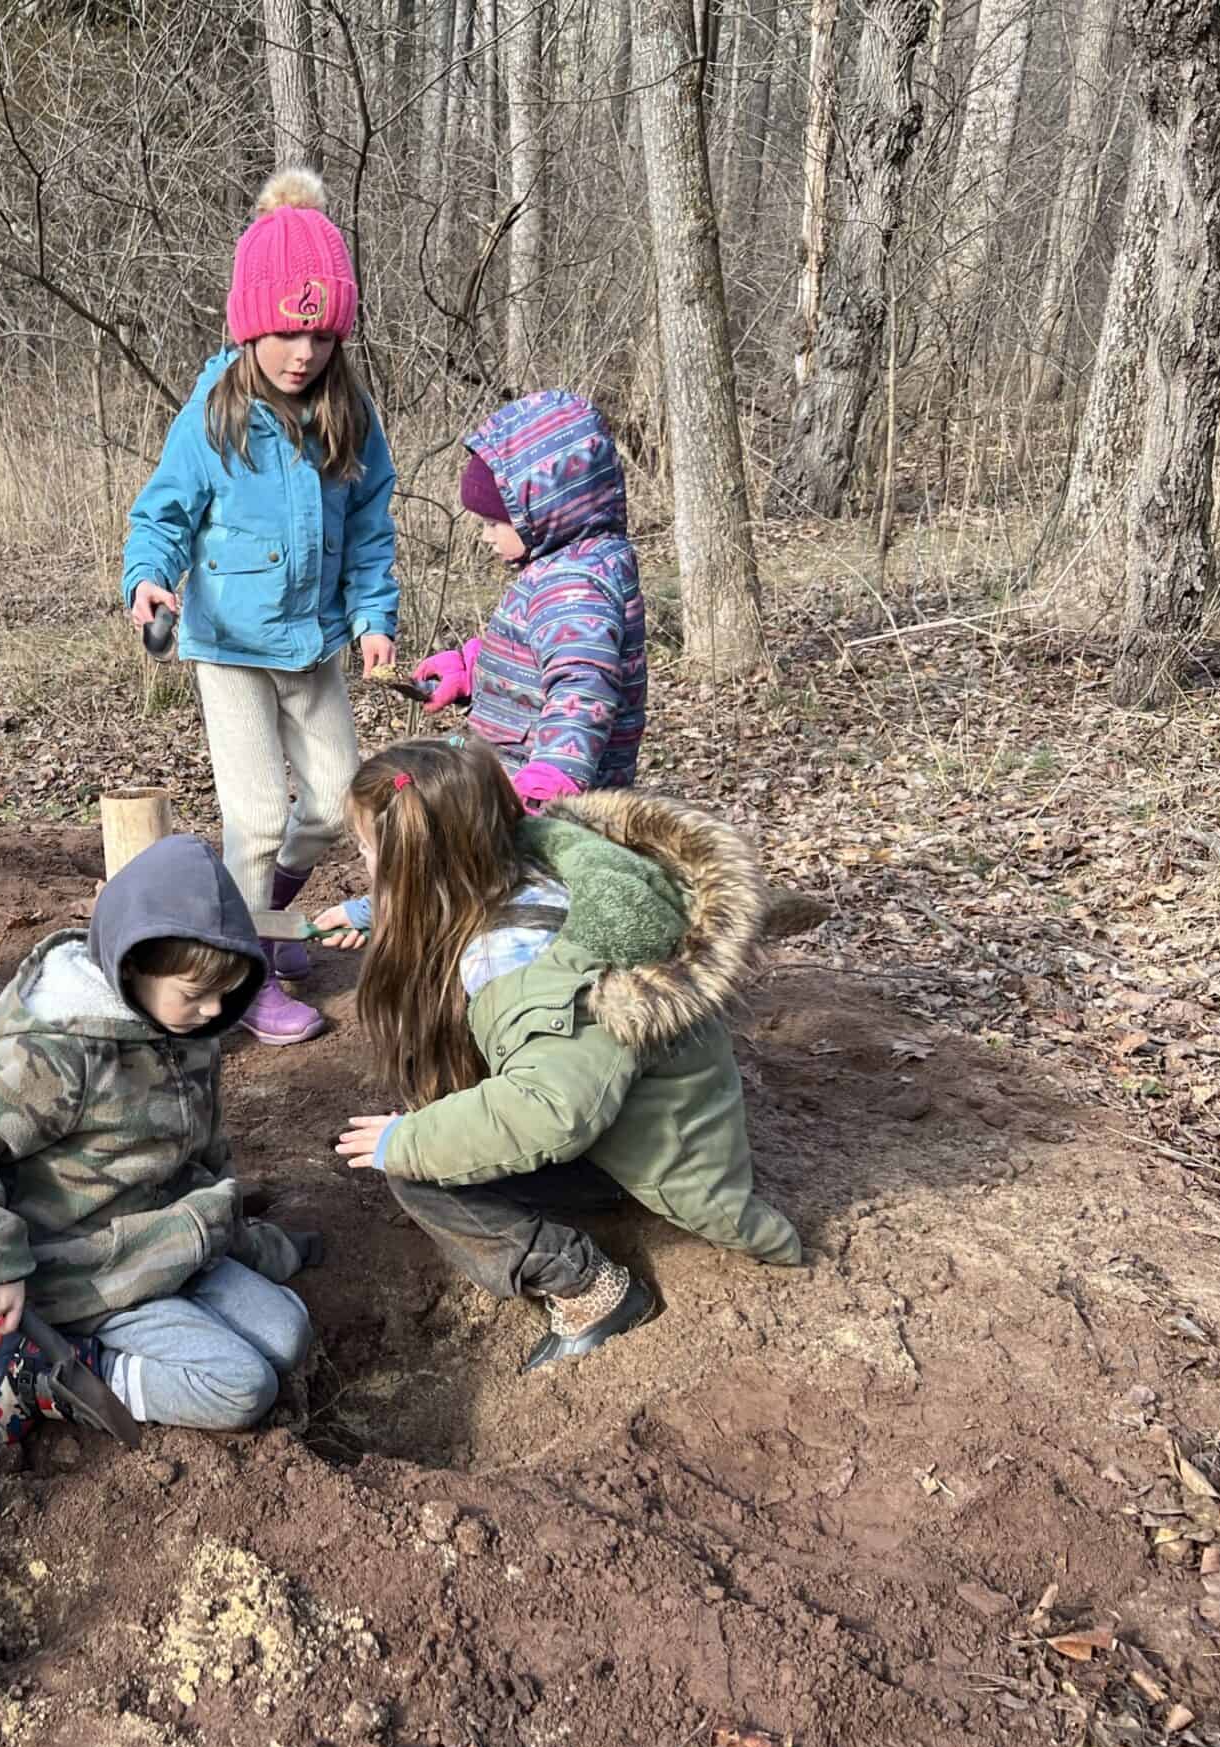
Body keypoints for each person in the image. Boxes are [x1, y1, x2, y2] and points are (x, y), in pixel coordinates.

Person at [320, 739, 804, 1375]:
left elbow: (550, 1110)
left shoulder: (514, 961)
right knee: (444, 1118)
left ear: (416, 861)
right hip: (637, 1109)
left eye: (368, 851)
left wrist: (411, 1140)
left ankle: (588, 1290)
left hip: (640, 1149)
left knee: (419, 1170)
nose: (363, 861)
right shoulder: (530, 856)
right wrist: (377, 906)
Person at [0, 834, 317, 1469]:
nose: (214, 1009)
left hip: (172, 1244)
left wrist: (263, 1244)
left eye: (228, 991)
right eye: (194, 993)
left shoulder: (191, 1031)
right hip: (89, 1271)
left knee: (289, 1336)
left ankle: (162, 1323)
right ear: (133, 966)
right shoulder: (61, 1055)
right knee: (244, 1387)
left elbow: (204, 1157)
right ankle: (47, 1368)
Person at [121, 167, 398, 1046]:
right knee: (258, 818)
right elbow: (162, 512)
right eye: (284, 330)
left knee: (330, 806)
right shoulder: (213, 413)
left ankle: (269, 925)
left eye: (318, 334)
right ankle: (239, 970)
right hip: (231, 647)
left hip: (314, 647)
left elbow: (370, 527)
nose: (301, 353)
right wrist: (147, 578)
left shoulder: (349, 413)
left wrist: (374, 618)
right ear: (250, 325)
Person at [414, 391, 647, 810]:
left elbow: (582, 684)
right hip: (516, 779)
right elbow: (544, 655)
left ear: (542, 509)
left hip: (540, 800)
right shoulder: (561, 566)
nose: (486, 536)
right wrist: (475, 671)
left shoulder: (575, 584)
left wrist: (551, 776)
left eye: (493, 523)